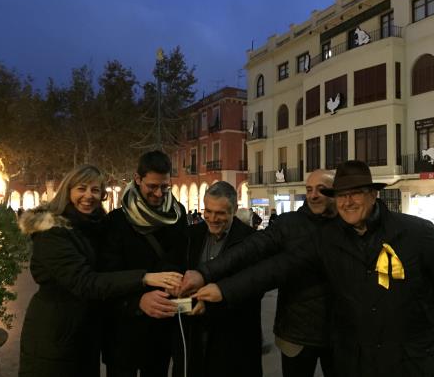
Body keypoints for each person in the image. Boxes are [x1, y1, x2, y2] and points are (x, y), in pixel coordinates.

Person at [195, 160, 434, 377]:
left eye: (355, 193)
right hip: (359, 359)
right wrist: (222, 288)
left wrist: (413, 307)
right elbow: (278, 267)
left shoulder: (415, 232)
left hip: (413, 359)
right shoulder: (328, 239)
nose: (348, 202)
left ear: (372, 194)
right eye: (342, 195)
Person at [17, 164, 182, 377]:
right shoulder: (51, 231)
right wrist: (144, 278)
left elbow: (108, 270)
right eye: (81, 188)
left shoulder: (93, 227)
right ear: (68, 191)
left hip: (84, 336)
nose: (88, 196)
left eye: (95, 190)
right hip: (55, 336)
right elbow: (85, 282)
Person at [180, 169, 336, 377]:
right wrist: (204, 275)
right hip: (296, 334)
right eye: (309, 189)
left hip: (340, 334)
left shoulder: (347, 226)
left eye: (322, 189)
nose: (313, 195)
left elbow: (268, 273)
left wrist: (220, 289)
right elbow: (254, 256)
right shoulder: (288, 224)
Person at [99, 151, 189, 377]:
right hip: (123, 331)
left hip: (161, 330)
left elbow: (182, 260)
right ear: (137, 179)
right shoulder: (116, 221)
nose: (159, 193)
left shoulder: (178, 216)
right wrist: (138, 301)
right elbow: (107, 276)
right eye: (152, 186)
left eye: (165, 187)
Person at [173, 181, 262, 377]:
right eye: (208, 211)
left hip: (233, 341)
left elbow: (253, 291)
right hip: (193, 337)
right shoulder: (190, 236)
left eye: (220, 213)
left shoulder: (252, 241)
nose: (212, 218)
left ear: (234, 210)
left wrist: (214, 303)